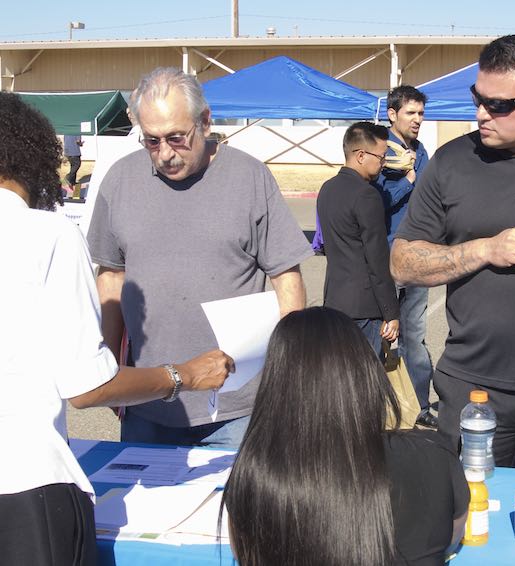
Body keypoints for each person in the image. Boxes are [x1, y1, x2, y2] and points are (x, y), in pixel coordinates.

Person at [0, 92, 233, 566]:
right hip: (25, 488)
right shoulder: (47, 235)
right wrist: (182, 375)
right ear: (30, 153)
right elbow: (88, 388)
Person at [87, 67, 313, 447]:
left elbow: (286, 278)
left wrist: (292, 373)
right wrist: (111, 374)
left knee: (238, 508)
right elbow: (110, 278)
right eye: (152, 141)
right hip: (147, 402)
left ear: (205, 122)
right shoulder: (120, 180)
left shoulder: (249, 177)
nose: (164, 154)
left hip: (238, 409)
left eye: (176, 138)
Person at [391, 34, 515, 469]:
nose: (481, 114)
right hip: (473, 390)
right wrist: (484, 249)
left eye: (500, 105)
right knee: (468, 520)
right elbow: (403, 262)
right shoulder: (452, 162)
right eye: (478, 98)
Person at [222, 307, 469, 566]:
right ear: (365, 374)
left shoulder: (256, 476)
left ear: (275, 385)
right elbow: (452, 536)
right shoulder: (432, 455)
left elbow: (244, 552)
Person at [376, 85, 437, 429]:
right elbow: (376, 201)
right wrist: (407, 180)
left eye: (421, 113)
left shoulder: (422, 149)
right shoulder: (378, 148)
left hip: (418, 258)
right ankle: (372, 405)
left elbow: (429, 194)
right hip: (385, 257)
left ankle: (420, 406)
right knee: (379, 334)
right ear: (392, 114)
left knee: (415, 334)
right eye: (411, 113)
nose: (417, 120)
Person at [316, 122, 399, 355]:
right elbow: (377, 260)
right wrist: (391, 313)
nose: (383, 164)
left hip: (334, 301)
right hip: (364, 307)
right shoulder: (367, 195)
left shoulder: (327, 188)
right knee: (365, 383)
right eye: (381, 157)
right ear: (361, 155)